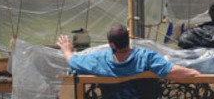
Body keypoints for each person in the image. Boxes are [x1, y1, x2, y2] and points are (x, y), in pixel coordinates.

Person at [57, 24, 200, 79]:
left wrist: (67, 50)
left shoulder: (99, 59)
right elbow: (172, 71)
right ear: (128, 39)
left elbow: (73, 61)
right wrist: (196, 73)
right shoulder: (146, 57)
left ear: (111, 45)